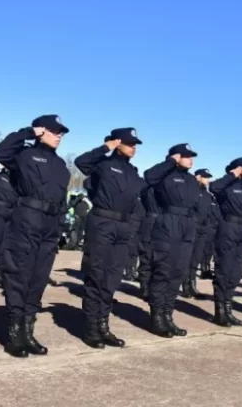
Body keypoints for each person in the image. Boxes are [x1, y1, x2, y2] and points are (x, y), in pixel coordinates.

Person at [0, 115, 70, 357]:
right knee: (20, 274)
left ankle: (28, 332)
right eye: (55, 131)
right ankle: (15, 334)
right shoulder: (25, 155)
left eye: (61, 132)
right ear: (41, 131)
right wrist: (27, 132)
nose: (59, 135)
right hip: (27, 217)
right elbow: (1, 152)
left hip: (50, 224)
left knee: (39, 278)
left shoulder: (61, 165)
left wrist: (61, 228)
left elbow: (61, 199)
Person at [74, 127, 144, 349]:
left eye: (135, 144)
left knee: (112, 279)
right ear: (117, 142)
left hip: (123, 227)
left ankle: (103, 326)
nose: (133, 147)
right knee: (96, 275)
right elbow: (81, 162)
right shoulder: (103, 165)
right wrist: (106, 147)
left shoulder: (133, 172)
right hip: (103, 222)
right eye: (129, 143)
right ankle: (91, 328)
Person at [144, 143, 201, 337]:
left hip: (187, 225)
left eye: (191, 156)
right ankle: (157, 317)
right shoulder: (164, 174)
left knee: (178, 272)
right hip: (168, 222)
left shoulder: (192, 179)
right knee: (163, 271)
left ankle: (168, 315)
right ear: (176, 157)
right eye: (186, 156)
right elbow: (149, 177)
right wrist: (170, 162)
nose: (191, 159)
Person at [210, 156, 242, 327]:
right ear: (238, 168)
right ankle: (220, 312)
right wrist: (232, 174)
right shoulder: (227, 185)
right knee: (224, 269)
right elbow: (214, 187)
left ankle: (228, 309)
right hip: (228, 228)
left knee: (235, 272)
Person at [182, 168, 214, 300]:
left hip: (203, 229)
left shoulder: (207, 195)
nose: (208, 180)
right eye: (205, 177)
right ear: (198, 177)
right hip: (192, 226)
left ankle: (192, 284)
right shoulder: (190, 190)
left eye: (208, 177)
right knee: (187, 258)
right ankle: (186, 286)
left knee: (196, 258)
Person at [137, 186, 159, 300]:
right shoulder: (148, 188)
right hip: (150, 222)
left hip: (161, 223)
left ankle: (151, 287)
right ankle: (145, 286)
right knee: (146, 257)